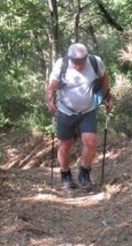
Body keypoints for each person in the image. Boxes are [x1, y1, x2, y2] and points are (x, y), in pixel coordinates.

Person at [46, 43, 113, 192]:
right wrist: (50, 100)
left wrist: (107, 97)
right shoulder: (61, 65)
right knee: (66, 144)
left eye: (81, 62)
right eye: (75, 63)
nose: (78, 66)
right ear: (70, 59)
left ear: (86, 58)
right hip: (65, 110)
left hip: (87, 110)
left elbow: (104, 79)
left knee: (91, 142)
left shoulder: (96, 62)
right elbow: (51, 86)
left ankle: (84, 173)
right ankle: (65, 174)